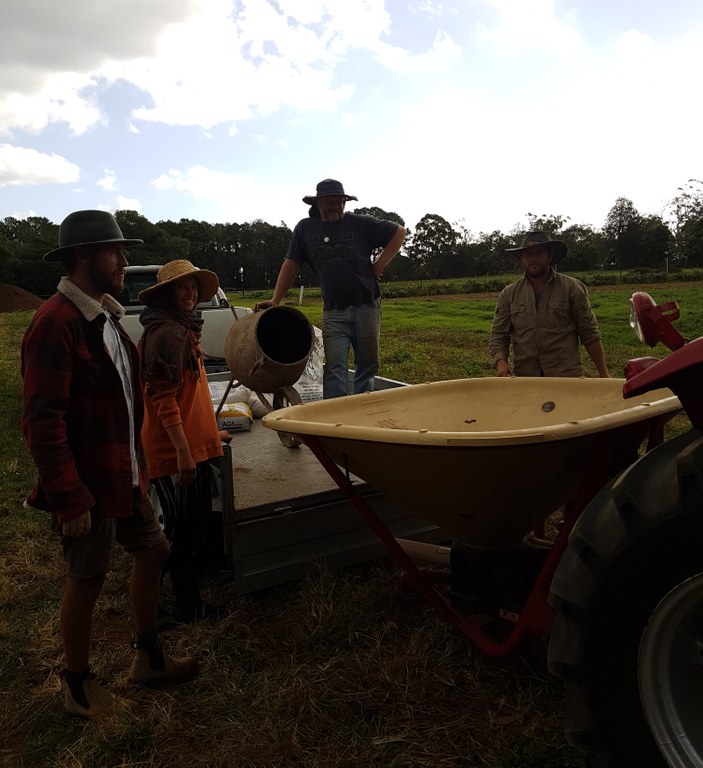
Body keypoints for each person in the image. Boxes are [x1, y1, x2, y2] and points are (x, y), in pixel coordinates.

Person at [21, 210, 198, 719]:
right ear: (82, 256)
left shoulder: (107, 320)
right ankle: (78, 685)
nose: (124, 260)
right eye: (114, 251)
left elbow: (124, 399)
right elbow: (42, 420)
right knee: (86, 578)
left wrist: (139, 465)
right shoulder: (55, 323)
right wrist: (68, 495)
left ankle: (148, 657)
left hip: (124, 471)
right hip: (87, 481)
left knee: (154, 549)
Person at [137, 260, 232, 624]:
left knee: (187, 530)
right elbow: (162, 397)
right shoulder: (168, 335)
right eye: (182, 288)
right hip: (174, 453)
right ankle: (182, 607)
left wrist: (209, 435)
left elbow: (190, 394)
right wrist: (183, 451)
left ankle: (172, 601)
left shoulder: (179, 329)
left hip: (191, 446)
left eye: (193, 286)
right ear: (166, 295)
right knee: (179, 535)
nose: (191, 293)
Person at [256, 178, 406, 398]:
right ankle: (335, 416)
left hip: (367, 306)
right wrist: (275, 300)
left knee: (367, 364)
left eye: (340, 201)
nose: (335, 206)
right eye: (329, 202)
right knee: (335, 366)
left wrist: (379, 265)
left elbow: (399, 232)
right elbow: (291, 264)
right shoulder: (305, 229)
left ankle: (363, 411)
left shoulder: (360, 223)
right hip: (334, 312)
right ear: (317, 204)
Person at [488, 230, 610, 378]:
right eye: (528, 254)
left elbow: (589, 333)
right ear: (522, 259)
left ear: (550, 255)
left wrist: (603, 373)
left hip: (566, 377)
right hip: (526, 378)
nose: (533, 258)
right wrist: (501, 362)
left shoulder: (571, 288)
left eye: (539, 253)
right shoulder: (509, 294)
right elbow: (499, 334)